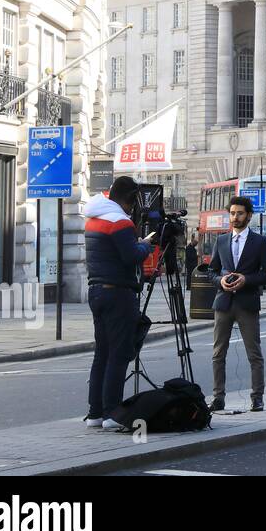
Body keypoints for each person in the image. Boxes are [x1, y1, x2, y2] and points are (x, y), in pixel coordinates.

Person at [83, 176, 156, 430]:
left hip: (97, 290)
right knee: (119, 354)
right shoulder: (120, 221)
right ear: (129, 199)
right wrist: (145, 246)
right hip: (118, 293)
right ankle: (112, 413)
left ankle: (95, 414)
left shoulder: (94, 218)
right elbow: (130, 256)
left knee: (102, 353)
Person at [208, 196, 266, 412]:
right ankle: (218, 397)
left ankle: (257, 397)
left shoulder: (260, 242)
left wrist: (247, 279)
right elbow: (211, 271)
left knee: (253, 353)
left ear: (249, 216)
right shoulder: (221, 241)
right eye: (232, 213)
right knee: (218, 353)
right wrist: (220, 281)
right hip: (223, 302)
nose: (235, 217)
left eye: (239, 213)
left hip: (247, 303)